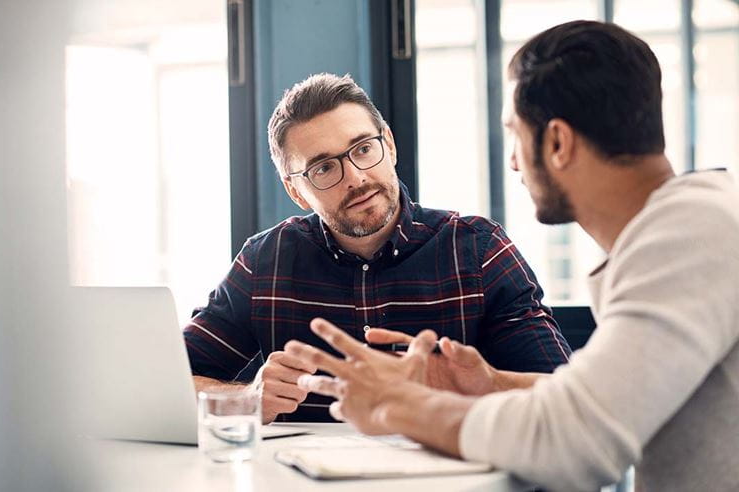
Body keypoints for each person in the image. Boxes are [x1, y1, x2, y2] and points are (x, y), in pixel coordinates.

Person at [287, 21, 739, 491]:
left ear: (558, 143)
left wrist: (396, 404)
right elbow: (607, 400)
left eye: (515, 134)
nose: (514, 162)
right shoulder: (691, 226)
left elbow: (574, 443)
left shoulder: (689, 236)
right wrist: (490, 384)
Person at [183, 73, 571, 424]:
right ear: (295, 191)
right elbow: (166, 384)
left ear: (389, 144)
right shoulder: (263, 262)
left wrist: (475, 384)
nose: (355, 177)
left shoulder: (480, 250)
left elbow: (562, 399)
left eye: (364, 149)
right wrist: (245, 399)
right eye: (323, 168)